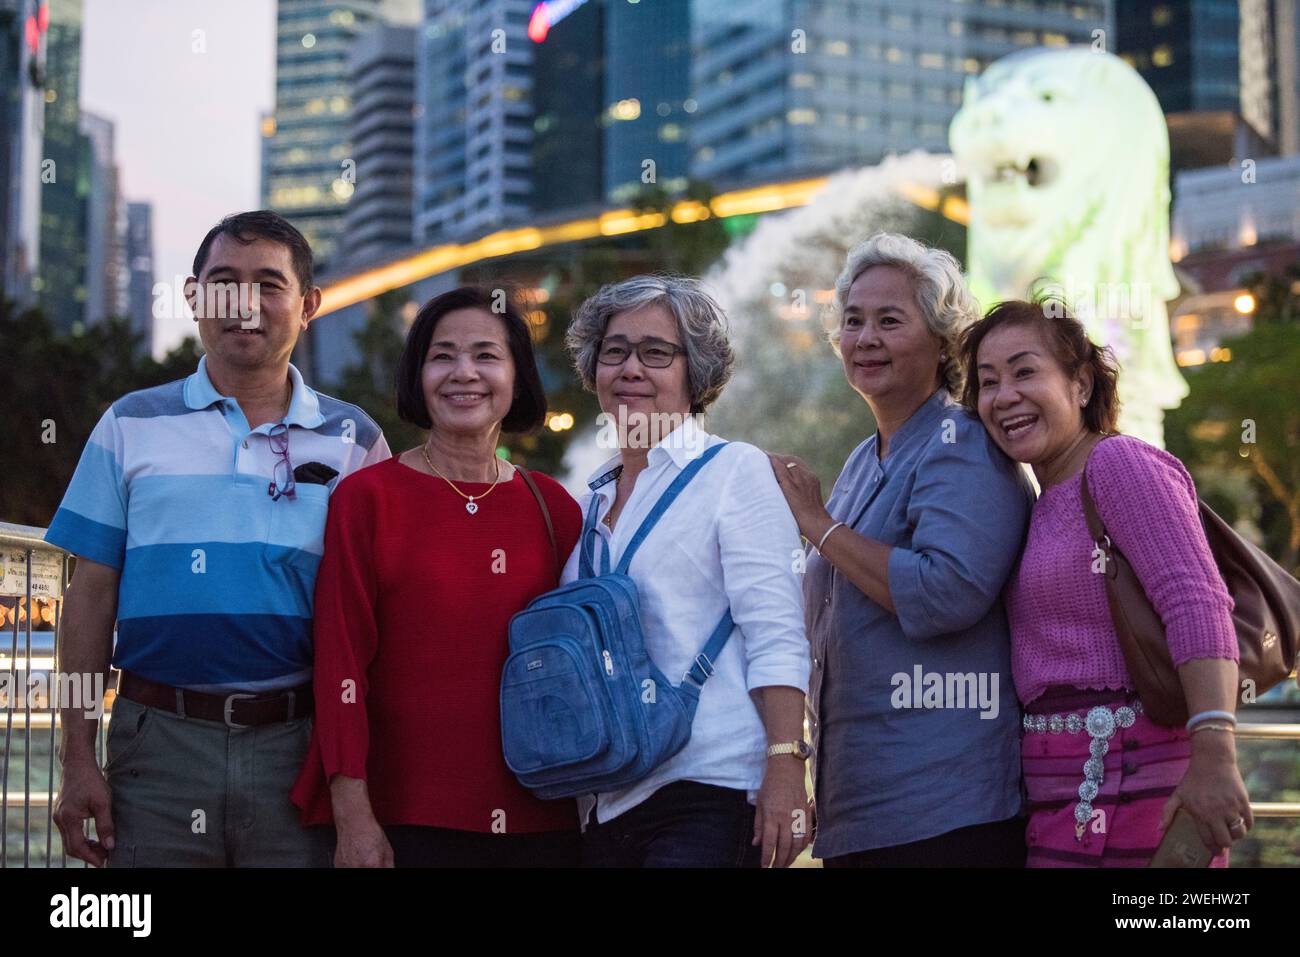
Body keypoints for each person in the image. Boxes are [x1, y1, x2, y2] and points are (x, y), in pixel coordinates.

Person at [49, 210, 390, 867]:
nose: (245, 303)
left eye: (269, 283)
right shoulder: (129, 424)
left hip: (303, 750)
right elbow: (88, 599)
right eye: (224, 281)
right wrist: (76, 760)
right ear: (193, 296)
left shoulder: (356, 441)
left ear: (309, 304)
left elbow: (381, 618)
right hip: (157, 748)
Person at [291, 287, 584, 868]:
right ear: (418, 376)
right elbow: (340, 663)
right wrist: (353, 814)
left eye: (486, 355)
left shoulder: (555, 507)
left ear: (517, 376)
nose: (464, 373)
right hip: (405, 821)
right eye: (443, 355)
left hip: (543, 816)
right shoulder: (367, 499)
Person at [769, 233, 1033, 867]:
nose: (865, 338)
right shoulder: (865, 458)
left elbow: (946, 592)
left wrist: (816, 523)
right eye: (853, 320)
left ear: (943, 342)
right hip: (861, 811)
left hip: (945, 812)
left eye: (890, 320)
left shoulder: (962, 443)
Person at [959, 298, 1250, 867]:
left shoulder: (1119, 465)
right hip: (1055, 800)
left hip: (1144, 786)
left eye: (1025, 371)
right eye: (988, 382)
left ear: (1082, 384)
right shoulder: (1036, 503)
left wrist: (1216, 752)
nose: (1004, 396)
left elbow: (1197, 601)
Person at [563, 275, 810, 868]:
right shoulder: (589, 502)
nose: (630, 368)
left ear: (694, 373)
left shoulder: (734, 472)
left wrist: (784, 764)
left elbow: (776, 630)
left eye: (656, 353)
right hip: (605, 798)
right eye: (614, 351)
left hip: (709, 790)